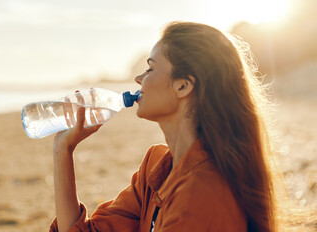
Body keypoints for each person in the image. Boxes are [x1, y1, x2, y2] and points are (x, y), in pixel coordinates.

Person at [49, 21, 277, 232]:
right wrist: (63, 150)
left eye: (150, 68)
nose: (139, 78)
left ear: (183, 86)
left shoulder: (202, 195)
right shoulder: (156, 168)